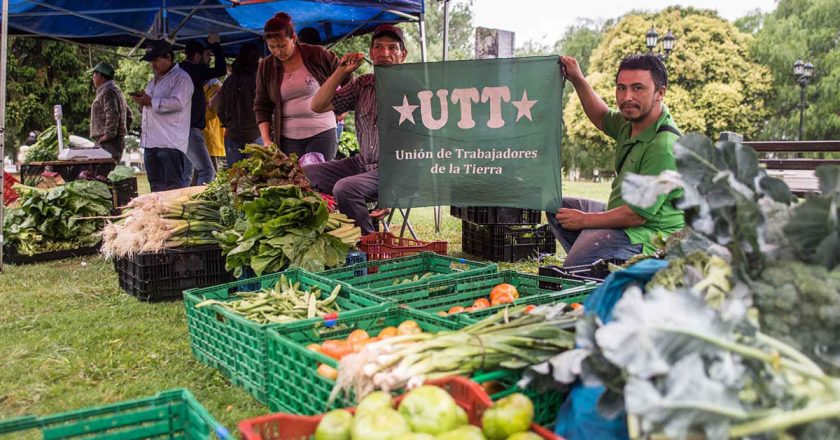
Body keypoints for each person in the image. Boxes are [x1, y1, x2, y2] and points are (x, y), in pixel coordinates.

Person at [551, 54, 685, 266]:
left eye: (638, 88)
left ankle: (602, 265)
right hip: (622, 218)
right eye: (621, 88)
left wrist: (584, 221)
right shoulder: (629, 122)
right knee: (555, 207)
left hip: (651, 235)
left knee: (573, 267)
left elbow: (635, 216)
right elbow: (601, 116)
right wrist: (577, 78)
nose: (626, 97)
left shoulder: (665, 147)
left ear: (660, 92)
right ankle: (598, 261)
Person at [305, 24, 408, 234]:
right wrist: (342, 70)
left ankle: (366, 247)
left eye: (392, 48)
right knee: (305, 174)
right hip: (363, 163)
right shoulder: (363, 84)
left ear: (403, 55)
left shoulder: (415, 91)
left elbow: (421, 148)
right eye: (378, 47)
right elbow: (318, 105)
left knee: (345, 188)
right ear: (371, 53)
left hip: (395, 171)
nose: (384, 53)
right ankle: (325, 233)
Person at [254, 12, 348, 161]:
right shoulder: (266, 66)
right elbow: (261, 105)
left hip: (322, 131)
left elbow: (346, 76)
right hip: (287, 138)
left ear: (294, 38)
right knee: (293, 181)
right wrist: (266, 140)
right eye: (272, 47)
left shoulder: (318, 54)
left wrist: (343, 108)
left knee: (318, 179)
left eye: (282, 46)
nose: (277, 52)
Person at [132, 40, 193, 192]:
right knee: (155, 188)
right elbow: (150, 105)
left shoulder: (181, 78)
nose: (153, 65)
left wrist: (150, 101)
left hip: (170, 143)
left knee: (173, 188)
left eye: (156, 60)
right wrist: (142, 103)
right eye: (151, 61)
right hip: (151, 142)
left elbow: (178, 103)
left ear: (168, 57)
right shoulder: (153, 81)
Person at [179, 33, 226, 185]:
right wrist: (216, 45)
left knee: (186, 173)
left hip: (177, 128)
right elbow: (221, 69)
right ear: (197, 56)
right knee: (207, 170)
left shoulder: (178, 70)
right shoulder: (195, 70)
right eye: (207, 56)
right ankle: (199, 205)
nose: (209, 60)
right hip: (192, 128)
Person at [216, 43, 262, 166]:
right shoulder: (258, 79)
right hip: (255, 133)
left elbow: (220, 108)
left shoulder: (230, 80)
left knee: (234, 178)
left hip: (232, 133)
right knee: (256, 178)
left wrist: (228, 122)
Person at [89, 62, 132, 160]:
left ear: (101, 76)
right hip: (114, 142)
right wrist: (122, 132)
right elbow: (129, 115)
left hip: (108, 143)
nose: (93, 78)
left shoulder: (107, 92)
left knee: (102, 173)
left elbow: (113, 114)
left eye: (94, 75)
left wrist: (108, 135)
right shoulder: (116, 90)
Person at [203, 77, 226, 169]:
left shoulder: (216, 88)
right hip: (203, 134)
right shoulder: (203, 87)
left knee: (210, 171)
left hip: (211, 134)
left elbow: (211, 113)